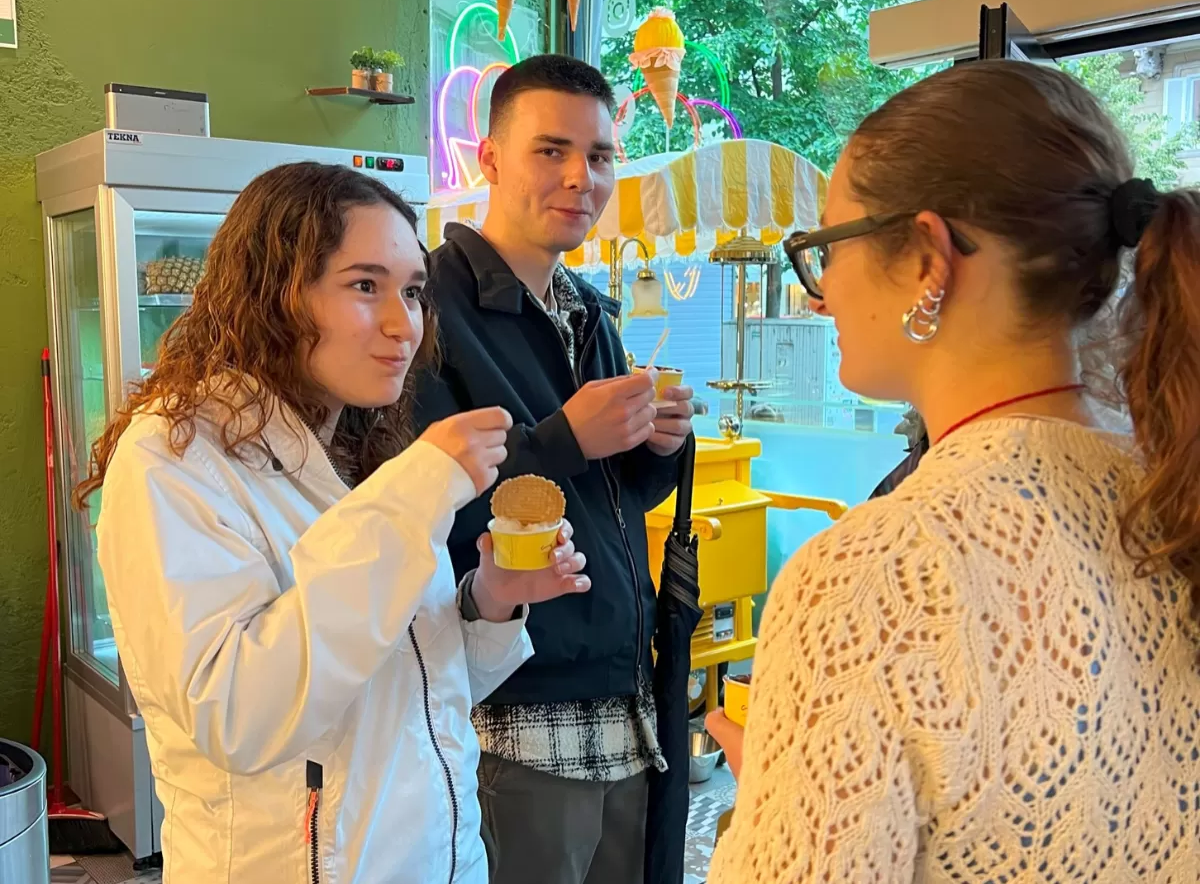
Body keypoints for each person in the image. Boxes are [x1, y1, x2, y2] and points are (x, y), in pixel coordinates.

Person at [705, 60, 1200, 881]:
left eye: (827, 246)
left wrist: (776, 814)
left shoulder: (869, 579)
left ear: (930, 257)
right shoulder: (1170, 493)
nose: (820, 291)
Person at [74, 162, 592, 884]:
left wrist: (490, 600)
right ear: (272, 294)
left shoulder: (360, 445)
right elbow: (237, 713)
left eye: (413, 291)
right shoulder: (174, 458)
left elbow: (412, 689)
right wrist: (414, 499)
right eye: (363, 285)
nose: (402, 324)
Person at [413, 55, 694, 884]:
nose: (581, 177)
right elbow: (421, 503)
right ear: (489, 158)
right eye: (551, 150)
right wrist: (566, 438)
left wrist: (653, 451)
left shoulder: (586, 308)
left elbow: (604, 499)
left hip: (623, 696)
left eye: (600, 156)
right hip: (515, 712)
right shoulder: (429, 306)